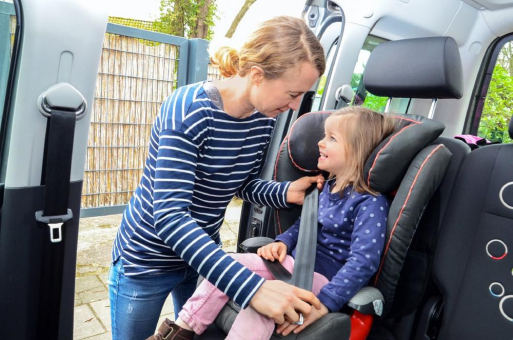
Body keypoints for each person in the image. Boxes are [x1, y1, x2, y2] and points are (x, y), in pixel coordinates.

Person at [108, 15, 326, 340]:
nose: (295, 106)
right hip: (148, 261)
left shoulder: (262, 119)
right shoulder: (189, 111)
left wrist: (286, 192)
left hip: (201, 257)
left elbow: (240, 183)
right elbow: (170, 217)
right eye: (293, 93)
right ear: (256, 75)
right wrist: (253, 289)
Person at [148, 107, 396, 340]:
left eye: (332, 138)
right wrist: (283, 242)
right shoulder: (326, 187)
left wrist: (326, 302)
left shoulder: (369, 202)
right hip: (292, 264)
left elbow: (363, 261)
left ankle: (200, 331)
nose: (320, 142)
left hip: (322, 279)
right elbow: (304, 225)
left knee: (249, 287)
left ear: (357, 149)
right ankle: (184, 331)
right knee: (243, 284)